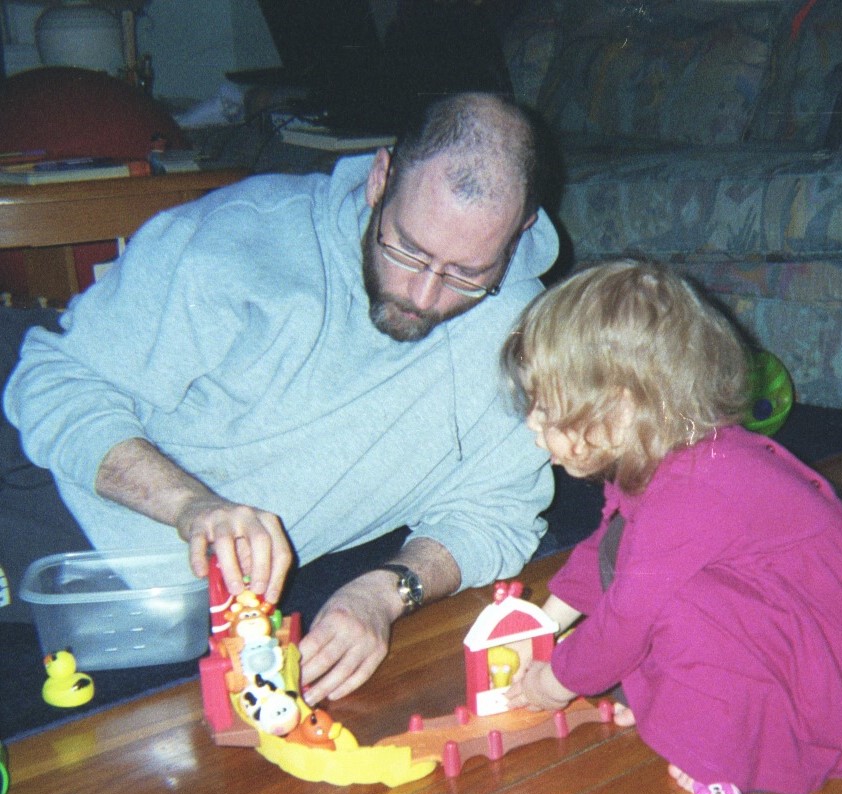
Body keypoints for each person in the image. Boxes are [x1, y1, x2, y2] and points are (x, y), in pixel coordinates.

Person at [2, 92, 560, 706]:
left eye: (466, 274)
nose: (423, 296)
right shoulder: (238, 240)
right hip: (53, 514)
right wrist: (193, 506)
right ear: (380, 178)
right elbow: (54, 383)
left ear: (520, 232)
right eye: (408, 250)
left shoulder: (521, 335)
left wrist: (384, 592)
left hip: (204, 618)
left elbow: (497, 514)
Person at [501, 260, 842, 794]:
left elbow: (625, 621)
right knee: (637, 568)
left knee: (673, 611)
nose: (532, 425)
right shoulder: (667, 453)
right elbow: (606, 545)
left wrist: (555, 680)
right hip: (781, 616)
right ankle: (686, 702)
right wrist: (539, 626)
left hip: (820, 670)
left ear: (622, 407)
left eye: (548, 409)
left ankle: (749, 745)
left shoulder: (694, 489)